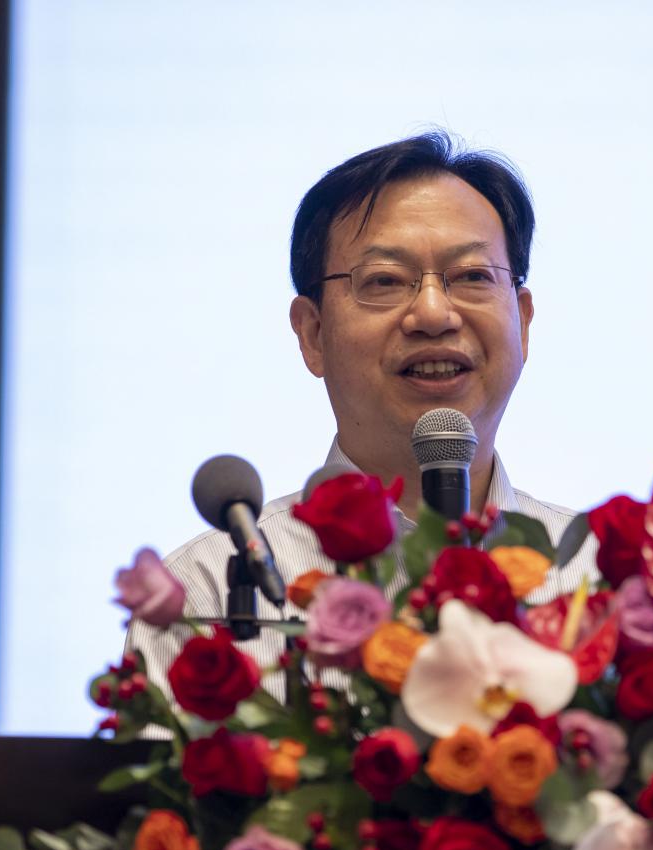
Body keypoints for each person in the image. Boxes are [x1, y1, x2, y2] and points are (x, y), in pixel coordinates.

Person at [128, 131, 595, 674]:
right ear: (313, 334)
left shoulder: (598, 584)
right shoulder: (204, 598)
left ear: (523, 322)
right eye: (384, 281)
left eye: (472, 276)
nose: (433, 314)